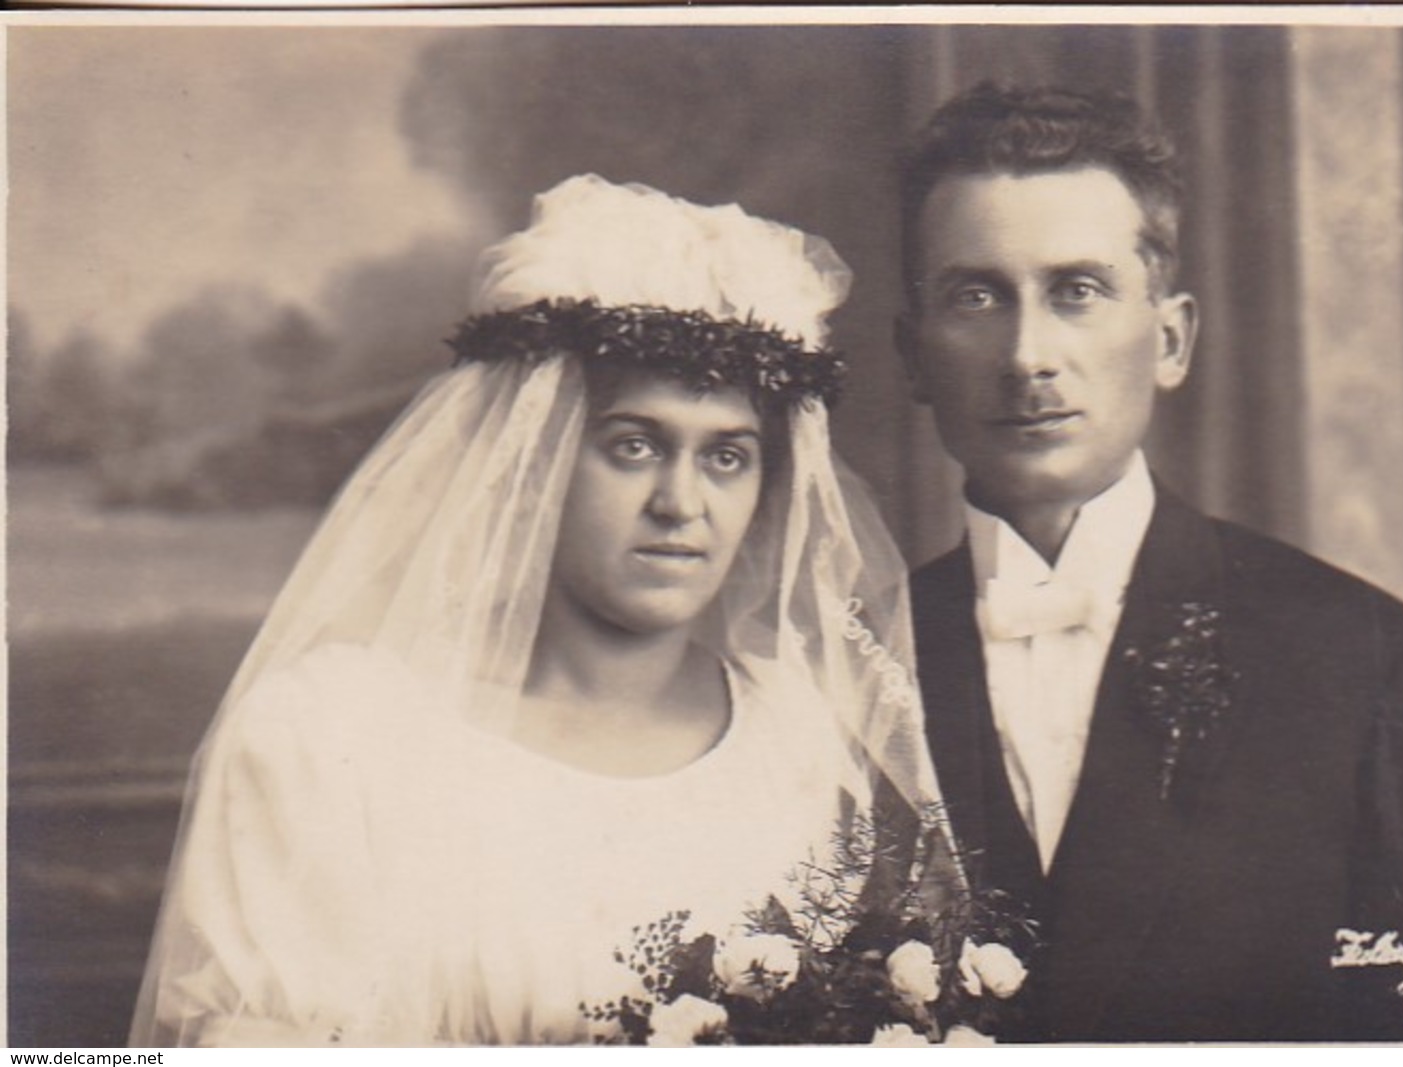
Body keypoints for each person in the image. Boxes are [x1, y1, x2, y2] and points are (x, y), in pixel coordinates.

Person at [128, 175, 943, 1046]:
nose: (681, 502)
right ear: (536, 459)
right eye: (633, 446)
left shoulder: (798, 736)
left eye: (727, 457)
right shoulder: (327, 739)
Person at [896, 84, 1403, 1041]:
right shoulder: (847, 657)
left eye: (1076, 292)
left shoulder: (1363, 657)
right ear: (912, 355)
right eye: (975, 296)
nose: (1026, 354)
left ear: (1169, 339)